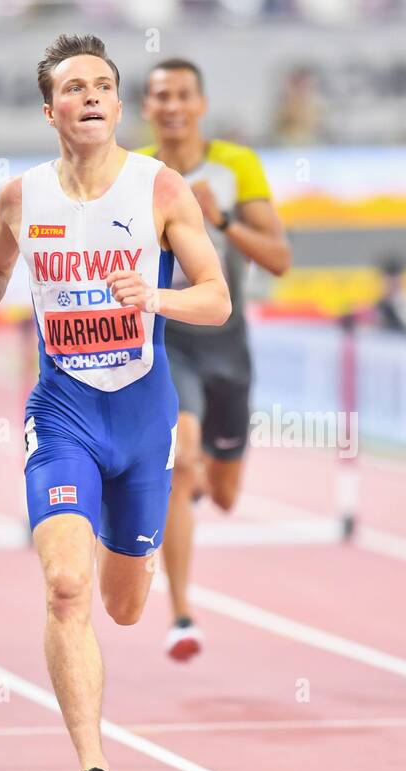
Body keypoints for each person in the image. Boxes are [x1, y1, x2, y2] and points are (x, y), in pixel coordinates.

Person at [0, 34, 230, 771]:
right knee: (66, 586)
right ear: (51, 110)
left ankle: (125, 537)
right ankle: (94, 770)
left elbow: (215, 298)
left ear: (117, 104)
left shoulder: (161, 190)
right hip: (64, 415)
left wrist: (155, 297)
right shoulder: (22, 197)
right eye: (76, 87)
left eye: (104, 85)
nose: (93, 97)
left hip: (143, 422)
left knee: (125, 605)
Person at [138, 58, 291, 662]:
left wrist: (221, 219)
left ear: (200, 104)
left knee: (224, 491)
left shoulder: (236, 166)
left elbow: (279, 258)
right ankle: (180, 616)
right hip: (169, 337)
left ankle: (205, 475)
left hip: (227, 343)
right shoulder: (136, 173)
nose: (172, 106)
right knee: (181, 456)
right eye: (160, 97)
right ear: (145, 109)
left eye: (182, 95)